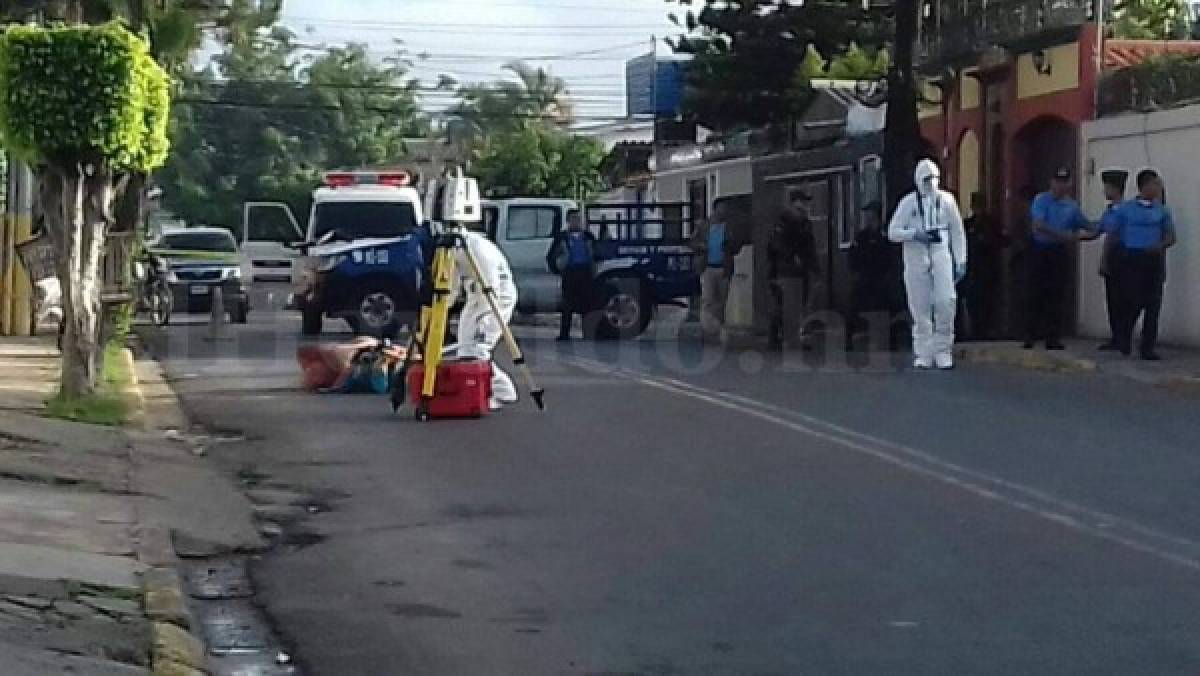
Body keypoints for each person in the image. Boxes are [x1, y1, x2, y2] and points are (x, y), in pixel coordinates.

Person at [887, 158, 967, 370]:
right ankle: (923, 352)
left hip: (941, 254)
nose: (931, 183)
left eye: (934, 178)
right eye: (926, 179)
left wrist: (961, 260)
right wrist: (915, 234)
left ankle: (943, 350)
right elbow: (892, 232)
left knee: (945, 301)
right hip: (915, 257)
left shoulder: (948, 201)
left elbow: (957, 232)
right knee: (919, 306)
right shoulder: (908, 203)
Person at [1024, 168, 1098, 350]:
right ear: (1051, 182)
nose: (1061, 185)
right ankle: (1029, 335)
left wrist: (1102, 226)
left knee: (1056, 295)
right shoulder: (1041, 200)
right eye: (1057, 181)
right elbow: (1038, 225)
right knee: (1035, 292)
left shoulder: (1071, 206)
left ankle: (1053, 337)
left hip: (1058, 253)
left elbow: (1086, 225)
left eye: (1064, 182)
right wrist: (1064, 236)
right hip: (1040, 250)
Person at [1106, 169, 1176, 360]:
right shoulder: (1126, 209)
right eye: (1155, 184)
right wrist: (1109, 260)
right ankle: (1124, 337)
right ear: (1144, 186)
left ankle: (1147, 347)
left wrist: (1160, 246)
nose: (1157, 188)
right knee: (1133, 302)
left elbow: (1171, 236)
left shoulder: (1161, 210)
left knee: (1153, 304)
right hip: (1131, 258)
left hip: (1153, 259)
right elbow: (1114, 235)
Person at [450, 228, 520, 410]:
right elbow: (452, 285)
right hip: (475, 299)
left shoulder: (477, 247)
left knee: (476, 348)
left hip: (496, 299)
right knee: (464, 349)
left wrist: (483, 316)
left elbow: (491, 286)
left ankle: (503, 392)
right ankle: (478, 387)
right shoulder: (450, 250)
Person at [766, 190, 820, 350]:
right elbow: (777, 246)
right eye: (802, 201)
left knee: (798, 305)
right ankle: (777, 337)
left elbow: (810, 248)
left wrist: (816, 271)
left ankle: (793, 336)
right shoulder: (783, 221)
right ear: (793, 203)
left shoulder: (806, 223)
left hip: (801, 271)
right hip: (784, 270)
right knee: (785, 305)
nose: (805, 205)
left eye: (806, 202)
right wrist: (792, 257)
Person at [546, 211, 597, 341]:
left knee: (588, 304)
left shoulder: (588, 236)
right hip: (570, 272)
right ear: (568, 221)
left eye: (579, 219)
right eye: (574, 219)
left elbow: (596, 254)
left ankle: (588, 333)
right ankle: (564, 334)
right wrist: (557, 270)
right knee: (567, 304)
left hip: (585, 272)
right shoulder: (562, 237)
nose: (577, 222)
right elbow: (551, 256)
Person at [847, 200, 892, 345]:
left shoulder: (885, 235)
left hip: (880, 278)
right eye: (867, 214)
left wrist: (887, 275)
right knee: (854, 306)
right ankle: (851, 336)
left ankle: (882, 337)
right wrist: (855, 271)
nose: (868, 217)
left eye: (871, 214)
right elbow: (853, 254)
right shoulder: (861, 236)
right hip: (864, 276)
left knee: (881, 307)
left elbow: (890, 256)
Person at [690, 200, 736, 339]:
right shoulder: (704, 226)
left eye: (726, 209)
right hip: (707, 267)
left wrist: (730, 246)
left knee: (721, 301)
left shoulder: (729, 227)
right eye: (722, 208)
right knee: (708, 299)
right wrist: (701, 246)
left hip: (724, 268)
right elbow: (692, 242)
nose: (724, 211)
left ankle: (718, 328)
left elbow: (736, 245)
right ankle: (706, 329)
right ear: (715, 209)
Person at [962, 193, 1005, 339]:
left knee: (988, 301)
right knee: (973, 301)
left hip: (988, 268)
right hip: (972, 268)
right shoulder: (967, 224)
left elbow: (1001, 242)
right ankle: (976, 330)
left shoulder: (992, 224)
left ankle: (987, 329)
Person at [1096, 172, 1127, 351]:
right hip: (1114, 256)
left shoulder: (1124, 210)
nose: (1104, 191)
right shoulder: (1109, 211)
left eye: (1107, 187)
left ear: (1115, 189)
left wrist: (1104, 260)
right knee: (1113, 299)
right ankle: (1117, 337)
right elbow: (1099, 229)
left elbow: (1112, 237)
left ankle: (1122, 337)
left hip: (1122, 257)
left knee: (1121, 299)